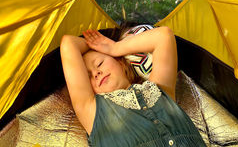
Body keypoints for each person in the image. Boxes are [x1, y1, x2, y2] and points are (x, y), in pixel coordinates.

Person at [60, 26, 206, 147]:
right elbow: (68, 44)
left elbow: (163, 36)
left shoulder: (159, 89)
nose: (96, 73)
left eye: (100, 63)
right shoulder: (92, 111)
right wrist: (97, 45)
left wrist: (114, 47)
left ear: (120, 63)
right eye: (88, 77)